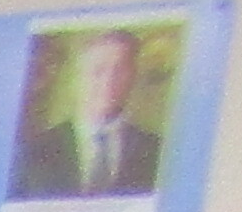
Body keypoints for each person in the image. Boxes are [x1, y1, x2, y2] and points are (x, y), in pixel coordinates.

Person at [16, 26, 160, 198]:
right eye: (98, 71)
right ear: (75, 80)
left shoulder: (156, 151)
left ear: (133, 76)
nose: (108, 81)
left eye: (120, 70)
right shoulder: (33, 151)